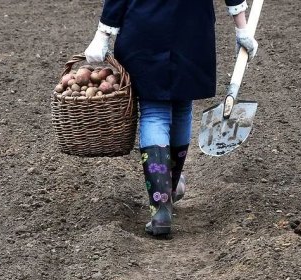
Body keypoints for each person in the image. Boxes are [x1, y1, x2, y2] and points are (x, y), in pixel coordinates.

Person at [84, 0, 258, 236]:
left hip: (144, 25)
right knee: (182, 105)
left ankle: (161, 205)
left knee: (154, 112)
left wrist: (102, 34)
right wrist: (242, 28)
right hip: (192, 27)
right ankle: (171, 189)